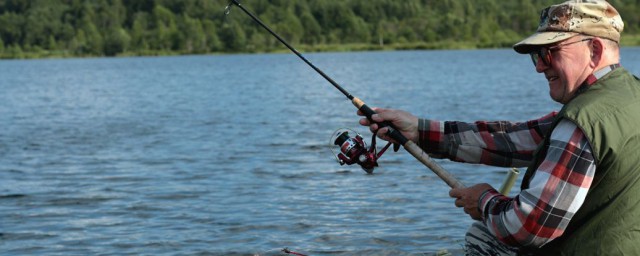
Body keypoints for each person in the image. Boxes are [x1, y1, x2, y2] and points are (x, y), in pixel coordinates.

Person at [358, 0, 640, 255]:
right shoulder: (627, 95)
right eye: (536, 55)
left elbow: (529, 227)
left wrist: (483, 201)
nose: (540, 67)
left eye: (549, 53)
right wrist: (418, 131)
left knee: (484, 236)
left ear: (595, 49)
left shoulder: (583, 121)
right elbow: (515, 139)